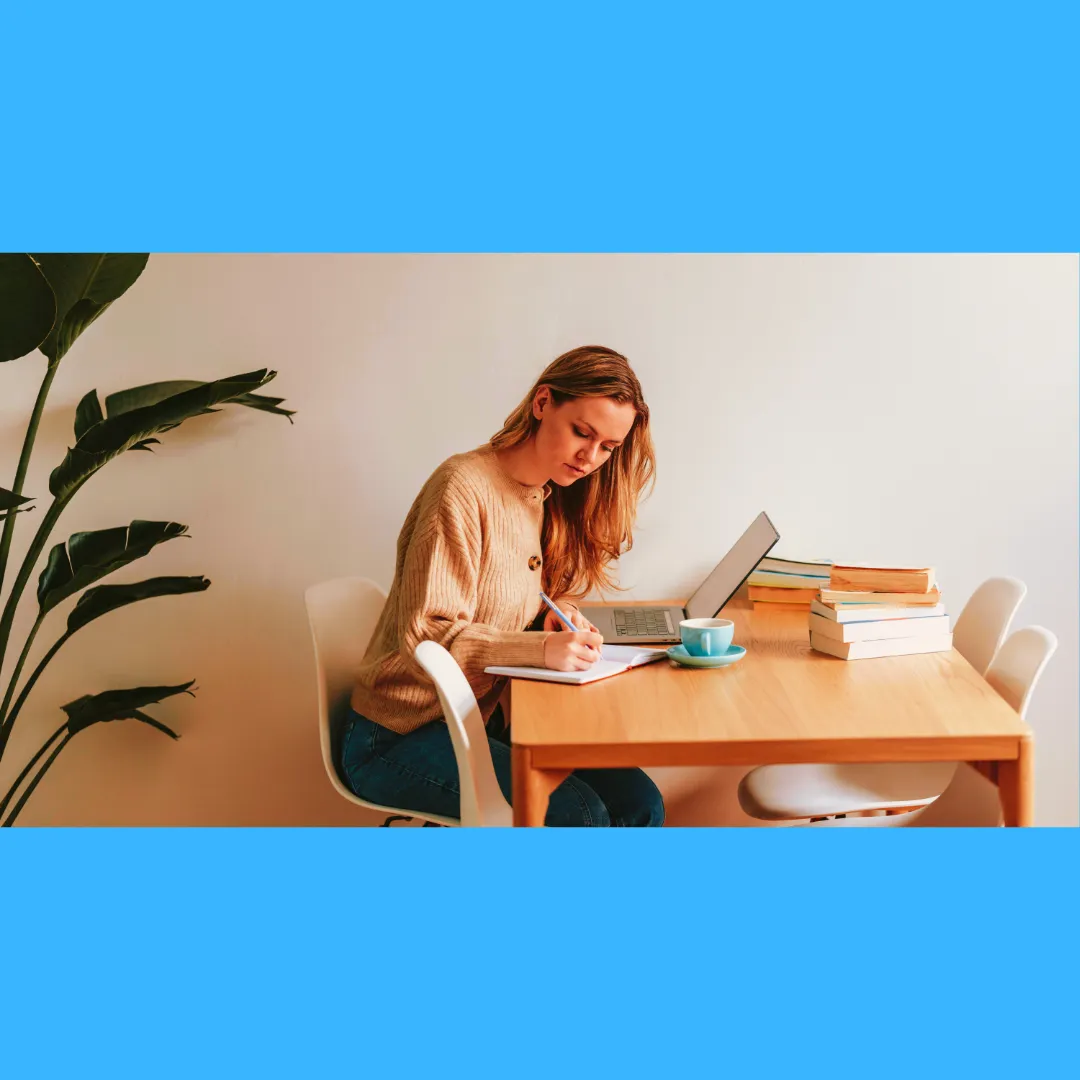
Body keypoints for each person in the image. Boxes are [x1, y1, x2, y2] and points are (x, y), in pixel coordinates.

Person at [341, 345, 664, 826]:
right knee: (582, 815)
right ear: (542, 403)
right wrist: (540, 650)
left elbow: (502, 599)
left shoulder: (541, 494)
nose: (590, 457)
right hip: (398, 734)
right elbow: (426, 634)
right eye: (582, 432)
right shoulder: (462, 488)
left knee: (640, 803)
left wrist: (552, 618)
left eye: (608, 448)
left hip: (475, 721)